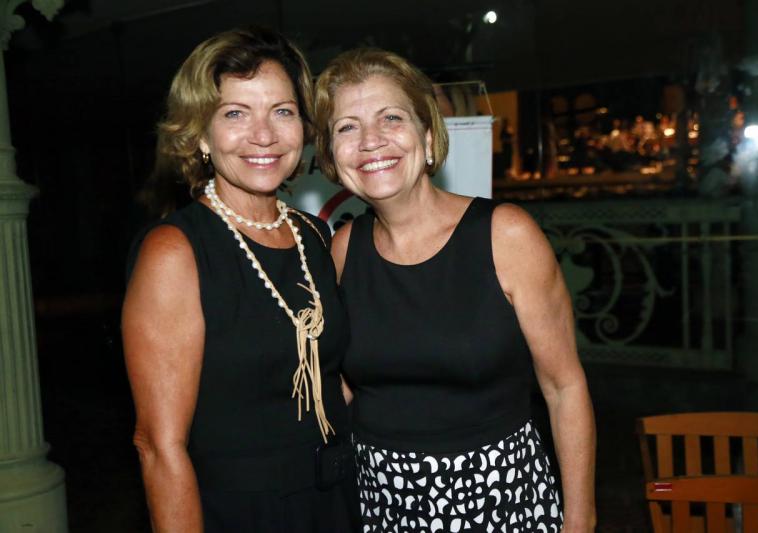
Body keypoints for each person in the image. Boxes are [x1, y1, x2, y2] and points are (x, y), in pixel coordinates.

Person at [314, 48, 596, 532]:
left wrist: (580, 520)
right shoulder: (342, 248)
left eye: (391, 118)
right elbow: (340, 386)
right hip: (381, 504)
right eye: (347, 127)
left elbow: (564, 387)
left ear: (427, 138)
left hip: (501, 501)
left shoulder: (505, 235)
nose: (370, 141)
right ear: (332, 156)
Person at [122, 27, 359, 532]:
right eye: (235, 113)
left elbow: (330, 380)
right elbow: (159, 446)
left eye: (282, 111)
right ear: (201, 134)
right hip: (242, 513)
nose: (264, 135)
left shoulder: (314, 235)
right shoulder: (175, 252)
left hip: (337, 501)